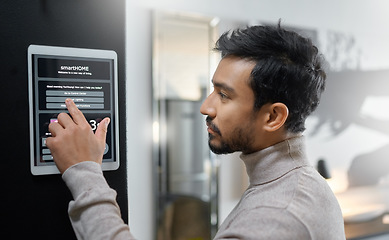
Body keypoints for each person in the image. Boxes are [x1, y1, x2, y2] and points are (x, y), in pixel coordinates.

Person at [47, 22, 345, 239]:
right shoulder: (301, 187)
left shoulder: (277, 217)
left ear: (273, 116)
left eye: (224, 95)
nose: (205, 106)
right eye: (212, 90)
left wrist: (83, 172)